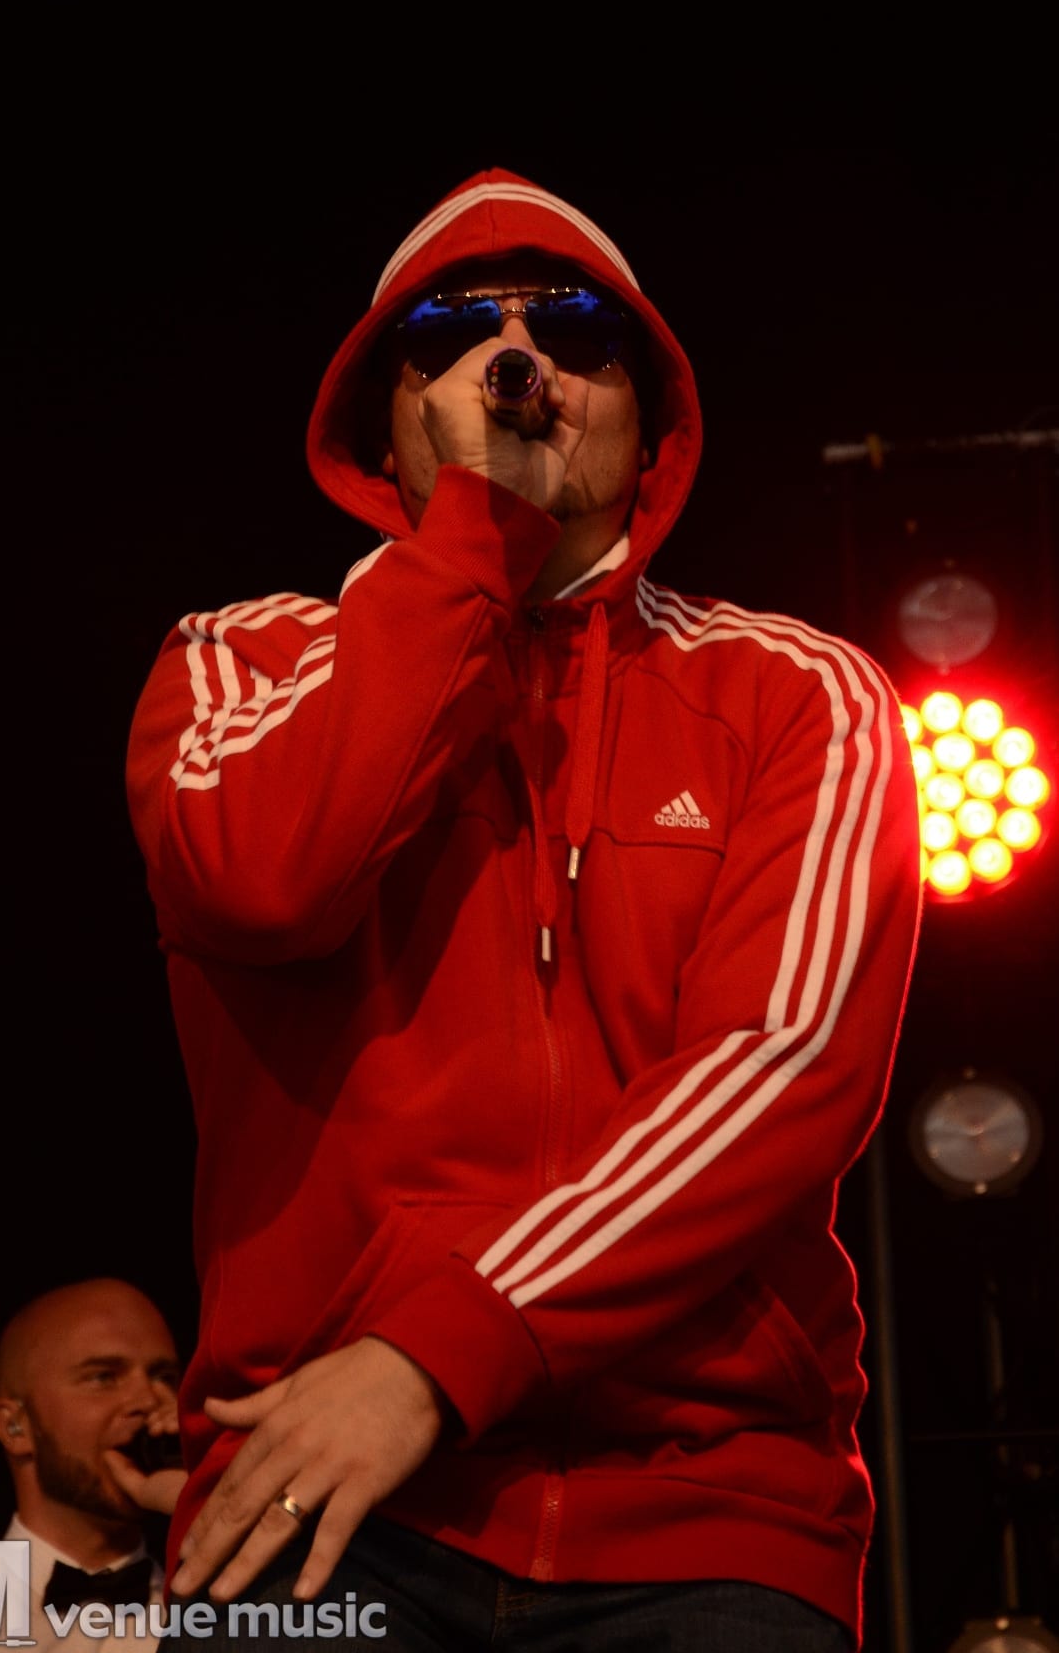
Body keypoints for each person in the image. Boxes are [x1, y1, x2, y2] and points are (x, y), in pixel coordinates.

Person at [125, 167, 922, 1649]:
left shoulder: (799, 694)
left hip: (703, 1510)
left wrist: (442, 1351)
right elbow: (272, 880)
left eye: (571, 329)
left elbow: (776, 1074)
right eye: (452, 334)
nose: (517, 362)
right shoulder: (238, 663)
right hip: (313, 1492)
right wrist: (466, 549)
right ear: (387, 424)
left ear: (650, 419)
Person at [0, 1278, 185, 1653]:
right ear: (15, 1427)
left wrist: (201, 1501)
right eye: (104, 1377)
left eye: (164, 1377)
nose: (150, 1400)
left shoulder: (227, 1615)